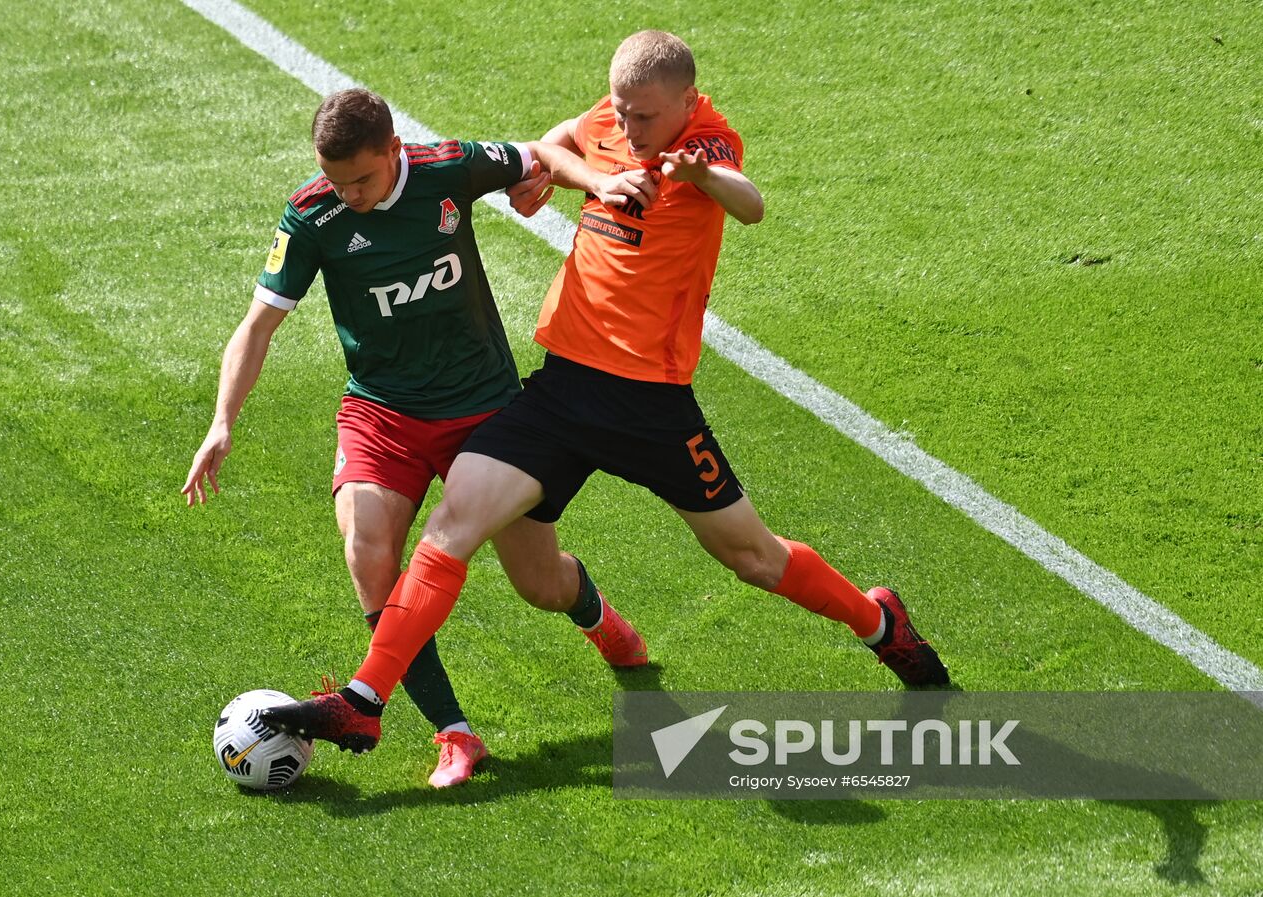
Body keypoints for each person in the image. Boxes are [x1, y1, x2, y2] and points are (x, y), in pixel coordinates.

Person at [262, 32, 950, 755]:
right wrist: (548, 177)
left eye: (644, 118)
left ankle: (877, 621)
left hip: (651, 404)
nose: (627, 129)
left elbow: (750, 206)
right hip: (562, 391)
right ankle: (364, 701)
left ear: (686, 102)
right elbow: (558, 139)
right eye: (621, 111)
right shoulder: (613, 117)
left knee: (753, 559)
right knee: (453, 521)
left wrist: (700, 178)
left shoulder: (709, 144)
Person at [183, 88, 648, 787]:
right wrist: (222, 422)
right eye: (337, 181)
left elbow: (540, 152)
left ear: (394, 152)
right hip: (383, 415)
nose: (350, 195)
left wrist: (594, 181)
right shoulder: (314, 214)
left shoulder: (446, 169)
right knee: (369, 551)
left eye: (362, 180)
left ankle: (599, 617)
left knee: (538, 581)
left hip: (486, 412)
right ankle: (455, 734)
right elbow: (257, 327)